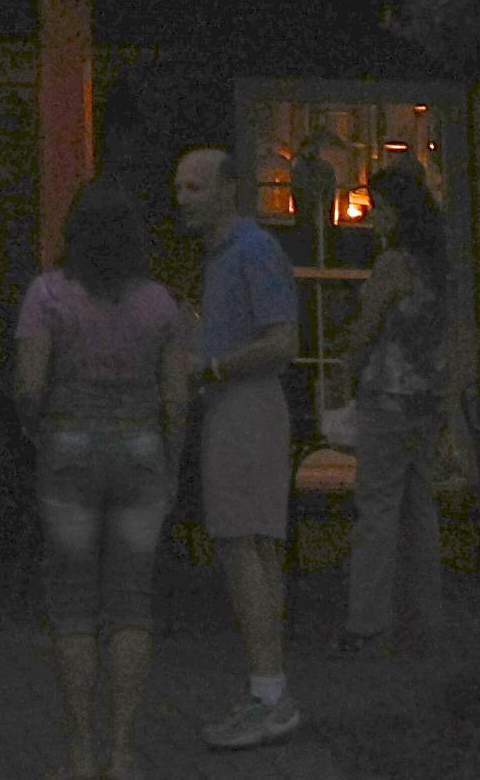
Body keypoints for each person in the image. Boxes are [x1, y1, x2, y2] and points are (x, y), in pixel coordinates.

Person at [14, 179, 192, 780]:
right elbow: (176, 399)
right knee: (131, 604)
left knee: (72, 607)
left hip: (68, 445)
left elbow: (29, 385)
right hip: (141, 447)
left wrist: (40, 432)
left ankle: (80, 752)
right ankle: (122, 750)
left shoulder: (47, 295)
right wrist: (171, 462)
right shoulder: (161, 304)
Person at [173, 145, 304, 750]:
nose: (184, 199)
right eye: (181, 188)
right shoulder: (223, 255)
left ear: (228, 189)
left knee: (244, 544)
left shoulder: (253, 250)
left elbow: (283, 342)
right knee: (252, 547)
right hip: (233, 407)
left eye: (196, 187)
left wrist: (212, 366)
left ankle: (269, 693)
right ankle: (267, 688)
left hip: (246, 408)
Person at [331, 160, 453, 654]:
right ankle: (423, 617)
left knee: (377, 509)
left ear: (399, 212)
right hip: (427, 396)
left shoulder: (393, 264)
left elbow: (366, 328)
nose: (373, 218)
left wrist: (344, 362)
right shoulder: (437, 265)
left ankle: (368, 622)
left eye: (380, 208)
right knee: (419, 509)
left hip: (387, 396)